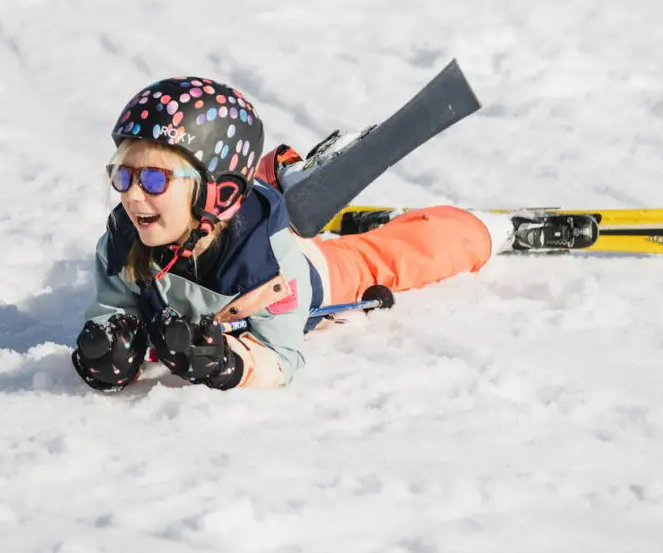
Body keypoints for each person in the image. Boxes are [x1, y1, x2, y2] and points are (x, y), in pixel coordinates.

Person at [72, 76, 514, 393]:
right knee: (273, 199)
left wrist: (231, 363)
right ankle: (283, 176)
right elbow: (115, 302)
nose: (131, 196)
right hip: (240, 205)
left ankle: (474, 229)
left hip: (313, 274)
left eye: (152, 180)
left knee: (390, 259)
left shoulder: (269, 262)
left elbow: (283, 356)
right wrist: (111, 343)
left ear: (219, 193)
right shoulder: (125, 237)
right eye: (122, 176)